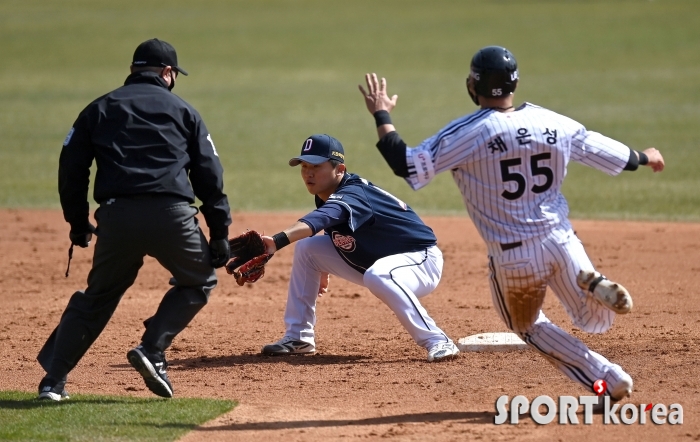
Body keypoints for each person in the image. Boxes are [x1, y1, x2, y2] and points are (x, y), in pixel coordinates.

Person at [359, 45, 664, 403]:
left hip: (516, 259)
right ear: (514, 82)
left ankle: (608, 381)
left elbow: (406, 165)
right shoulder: (553, 122)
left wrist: (381, 113)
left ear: (474, 85)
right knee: (593, 319)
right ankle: (594, 286)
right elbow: (613, 154)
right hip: (563, 241)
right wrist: (645, 156)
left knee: (526, 325)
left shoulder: (468, 132)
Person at [36, 38, 232, 401]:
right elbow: (209, 173)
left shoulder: (98, 108)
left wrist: (78, 225)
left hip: (117, 217)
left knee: (98, 297)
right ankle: (152, 349)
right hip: (173, 217)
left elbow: (72, 170)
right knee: (199, 280)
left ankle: (53, 381)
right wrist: (220, 231)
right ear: (168, 73)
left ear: (132, 71)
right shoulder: (184, 110)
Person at [257, 134, 459, 362]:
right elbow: (333, 227)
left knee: (379, 275)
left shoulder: (354, 194)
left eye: (316, 166)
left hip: (419, 261)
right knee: (308, 249)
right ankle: (299, 337)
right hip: (378, 258)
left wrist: (277, 241)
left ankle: (438, 340)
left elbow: (320, 219)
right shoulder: (328, 193)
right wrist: (320, 268)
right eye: (304, 166)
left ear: (339, 169)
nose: (308, 173)